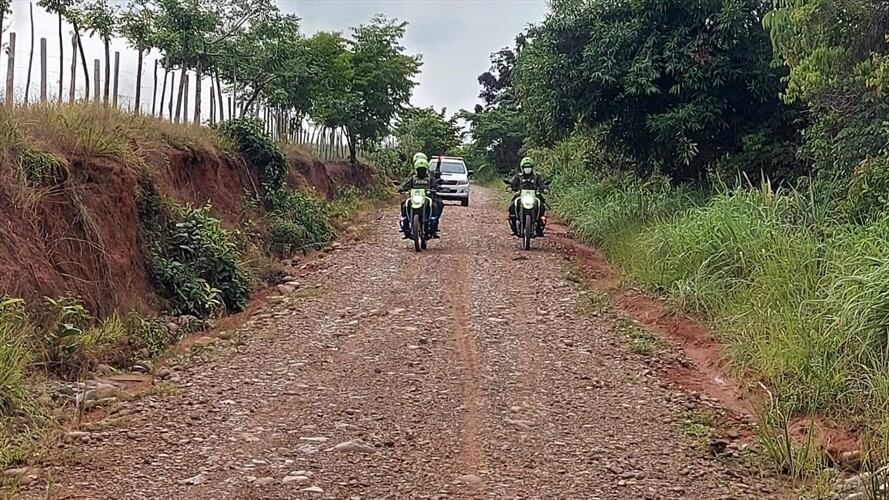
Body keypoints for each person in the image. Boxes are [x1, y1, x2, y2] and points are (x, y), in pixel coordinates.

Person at [399, 157, 444, 238]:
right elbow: (405, 185)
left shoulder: (430, 178)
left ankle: (434, 227)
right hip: (415, 198)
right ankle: (405, 227)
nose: (421, 171)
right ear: (416, 169)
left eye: (423, 169)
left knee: (436, 205)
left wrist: (437, 188)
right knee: (404, 205)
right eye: (420, 169)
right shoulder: (413, 178)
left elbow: (435, 185)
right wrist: (402, 189)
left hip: (427, 198)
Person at [508, 157, 549, 236]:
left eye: (529, 167)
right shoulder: (518, 177)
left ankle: (539, 228)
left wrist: (544, 189)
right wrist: (510, 187)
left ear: (532, 168)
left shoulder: (537, 177)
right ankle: (514, 228)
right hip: (521, 196)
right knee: (512, 207)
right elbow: (512, 183)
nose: (527, 169)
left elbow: (542, 184)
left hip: (534, 196)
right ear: (522, 168)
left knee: (542, 207)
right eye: (525, 167)